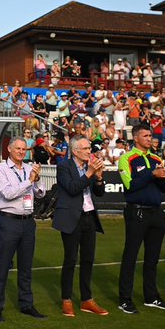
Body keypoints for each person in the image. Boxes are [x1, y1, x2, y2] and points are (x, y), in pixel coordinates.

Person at [116, 124, 165, 314]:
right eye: (146, 135)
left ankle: (151, 297)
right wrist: (151, 174)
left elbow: (164, 187)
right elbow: (130, 185)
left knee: (152, 258)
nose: (150, 138)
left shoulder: (157, 159)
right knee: (130, 256)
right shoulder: (126, 158)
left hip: (156, 212)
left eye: (151, 135)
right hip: (137, 212)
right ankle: (125, 299)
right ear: (136, 138)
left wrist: (161, 177)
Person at [0, 138, 46, 322]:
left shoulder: (30, 168)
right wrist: (29, 181)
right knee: (3, 266)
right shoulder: (1, 169)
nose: (22, 152)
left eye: (24, 149)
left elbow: (40, 193)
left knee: (26, 267)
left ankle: (26, 305)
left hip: (28, 221)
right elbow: (8, 193)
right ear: (9, 149)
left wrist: (36, 181)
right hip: (9, 221)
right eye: (18, 149)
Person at [53, 135, 107, 317]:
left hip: (89, 217)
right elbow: (72, 188)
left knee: (88, 260)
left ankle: (86, 299)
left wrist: (99, 178)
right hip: (71, 218)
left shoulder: (88, 167)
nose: (89, 151)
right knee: (70, 261)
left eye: (89, 148)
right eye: (85, 148)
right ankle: (66, 300)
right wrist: (90, 173)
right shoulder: (63, 166)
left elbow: (99, 193)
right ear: (75, 151)